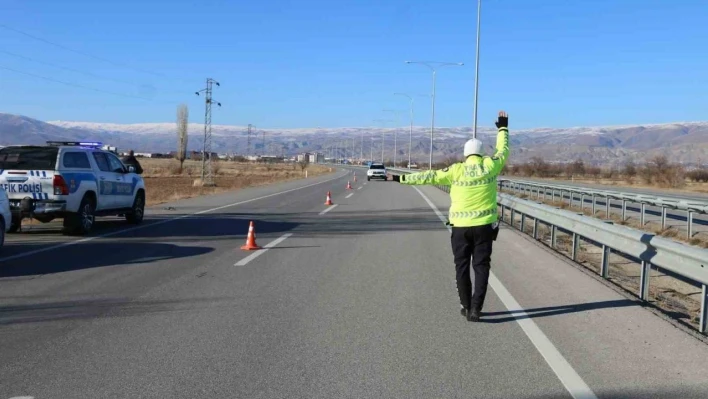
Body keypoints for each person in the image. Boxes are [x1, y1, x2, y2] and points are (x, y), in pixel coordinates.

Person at [393, 111, 509, 322]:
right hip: (484, 227)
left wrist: (400, 178)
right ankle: (476, 308)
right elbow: (503, 150)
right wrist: (503, 128)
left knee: (462, 267)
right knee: (481, 267)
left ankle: (465, 305)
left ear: (465, 154)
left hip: (460, 228)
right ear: (482, 154)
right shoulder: (491, 166)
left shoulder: (456, 170)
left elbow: (429, 176)